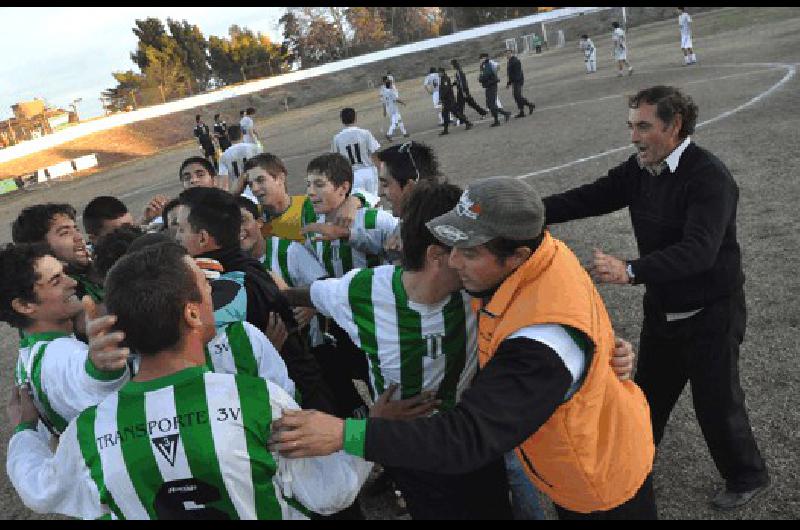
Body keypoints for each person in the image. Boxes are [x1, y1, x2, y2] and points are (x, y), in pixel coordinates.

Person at [271, 176, 657, 520]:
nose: (454, 262)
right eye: (451, 248)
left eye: (469, 252)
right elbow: (319, 292)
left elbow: (468, 437)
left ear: (516, 257)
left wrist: (347, 434)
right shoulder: (537, 254)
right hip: (571, 445)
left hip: (596, 478)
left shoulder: (542, 339)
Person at [6, 241, 372, 520]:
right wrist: (370, 435)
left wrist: (24, 432)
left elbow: (39, 488)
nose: (213, 292)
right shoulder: (256, 400)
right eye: (205, 286)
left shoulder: (89, 433)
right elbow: (329, 491)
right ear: (192, 313)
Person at [542, 85, 770, 510]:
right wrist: (531, 212)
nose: (633, 137)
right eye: (631, 126)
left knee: (717, 403)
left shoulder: (709, 178)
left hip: (712, 312)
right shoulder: (639, 170)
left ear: (674, 126)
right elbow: (590, 196)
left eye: (643, 126)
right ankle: (639, 459)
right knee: (647, 396)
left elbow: (699, 251)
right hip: (664, 310)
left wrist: (629, 270)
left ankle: (747, 474)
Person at [281, 182, 513, 520]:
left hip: (471, 440)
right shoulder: (363, 291)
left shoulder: (484, 288)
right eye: (472, 247)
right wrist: (271, 296)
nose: (483, 256)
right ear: (438, 256)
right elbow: (311, 294)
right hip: (409, 448)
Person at [174, 186, 337, 416]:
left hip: (293, 412)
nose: (177, 238)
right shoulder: (245, 269)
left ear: (202, 238)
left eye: (181, 229)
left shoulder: (232, 286)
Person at [1, 243, 128, 436]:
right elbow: (85, 379)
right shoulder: (59, 354)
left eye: (64, 273)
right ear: (25, 305)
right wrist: (100, 370)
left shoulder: (29, 352)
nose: (72, 282)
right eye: (56, 280)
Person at [246, 153, 373, 243]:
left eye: (260, 180)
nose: (254, 188)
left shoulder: (310, 206)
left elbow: (368, 199)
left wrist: (354, 200)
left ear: (280, 178)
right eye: (250, 184)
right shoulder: (250, 217)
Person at [12, 203, 103, 303]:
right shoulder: (63, 294)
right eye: (65, 233)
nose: (79, 237)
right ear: (39, 247)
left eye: (76, 229)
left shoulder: (95, 270)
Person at [376, 141, 441, 264]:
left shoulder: (435, 234)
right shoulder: (409, 222)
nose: (380, 193)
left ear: (410, 187)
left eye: (385, 184)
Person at [331, 107, 382, 196]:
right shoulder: (365, 133)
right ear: (355, 118)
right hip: (368, 171)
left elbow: (335, 160)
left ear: (342, 120)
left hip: (352, 175)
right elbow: (374, 153)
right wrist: (380, 171)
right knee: (374, 201)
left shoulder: (337, 138)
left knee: (357, 204)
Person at [218, 124, 262, 201]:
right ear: (242, 135)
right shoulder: (255, 148)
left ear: (228, 137)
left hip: (239, 193)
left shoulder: (224, 156)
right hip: (258, 189)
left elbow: (224, 183)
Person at [478, 52, 511, 127]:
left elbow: (486, 75)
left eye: (481, 59)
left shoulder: (488, 64)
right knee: (490, 105)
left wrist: (481, 79)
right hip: (488, 85)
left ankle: (503, 116)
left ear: (484, 58)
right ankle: (502, 116)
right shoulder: (484, 65)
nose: (480, 60)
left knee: (491, 104)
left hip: (491, 85)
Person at [437, 68, 473, 135]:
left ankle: (468, 123)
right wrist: (441, 99)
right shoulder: (442, 79)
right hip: (446, 101)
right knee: (445, 115)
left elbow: (446, 90)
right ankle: (445, 130)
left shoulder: (446, 79)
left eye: (439, 72)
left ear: (442, 72)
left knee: (456, 114)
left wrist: (441, 98)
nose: (438, 74)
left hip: (450, 101)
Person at [505, 48, 535, 118]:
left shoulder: (516, 61)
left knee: (517, 96)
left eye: (508, 53)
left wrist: (516, 81)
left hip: (518, 81)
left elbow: (518, 73)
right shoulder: (509, 61)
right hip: (514, 81)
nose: (507, 55)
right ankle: (522, 111)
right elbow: (510, 74)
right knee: (516, 96)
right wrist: (509, 83)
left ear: (511, 54)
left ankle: (530, 105)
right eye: (506, 54)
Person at [380, 76, 409, 141]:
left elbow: (383, 102)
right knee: (395, 123)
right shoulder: (391, 92)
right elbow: (396, 99)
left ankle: (404, 133)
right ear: (389, 85)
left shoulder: (384, 93)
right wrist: (403, 103)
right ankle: (388, 134)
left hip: (389, 109)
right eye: (391, 84)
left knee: (400, 120)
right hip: (394, 109)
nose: (392, 85)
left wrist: (384, 110)